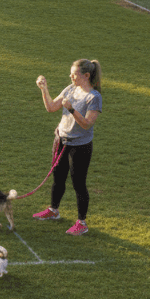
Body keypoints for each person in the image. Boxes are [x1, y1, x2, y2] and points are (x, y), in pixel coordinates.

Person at [32, 59, 103, 235]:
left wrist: (71, 109)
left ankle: (82, 223)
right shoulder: (70, 89)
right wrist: (44, 88)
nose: (70, 76)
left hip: (79, 147)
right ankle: (53, 211)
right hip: (61, 141)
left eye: (74, 74)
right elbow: (51, 108)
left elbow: (87, 124)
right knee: (58, 178)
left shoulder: (94, 97)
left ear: (86, 76)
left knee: (78, 183)